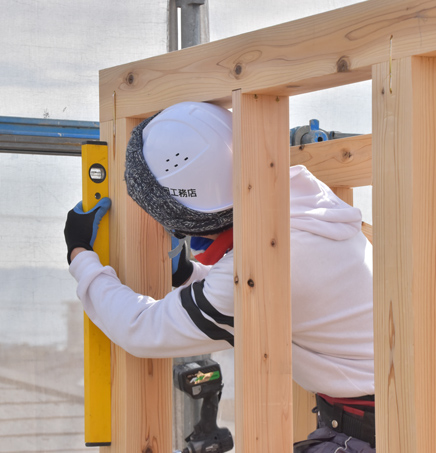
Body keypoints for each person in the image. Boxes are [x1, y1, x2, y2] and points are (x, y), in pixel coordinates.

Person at [64, 102, 375, 452]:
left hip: (369, 433)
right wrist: (186, 274)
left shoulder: (266, 257)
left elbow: (142, 328)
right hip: (369, 418)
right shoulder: (299, 208)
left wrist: (80, 256)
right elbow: (256, 290)